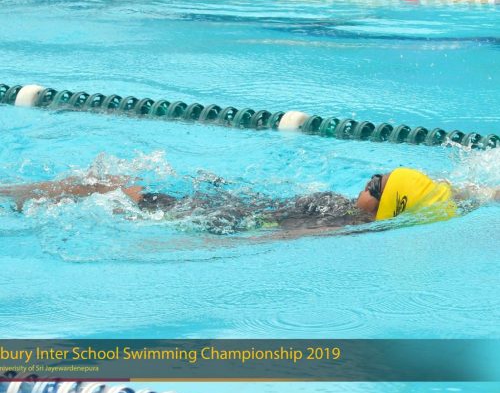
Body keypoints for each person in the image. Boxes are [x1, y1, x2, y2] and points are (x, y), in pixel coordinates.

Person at [0, 167, 498, 237]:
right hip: (238, 205)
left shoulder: (333, 227)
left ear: (387, 206)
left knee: (112, 188)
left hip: (223, 220)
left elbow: (265, 239)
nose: (366, 183)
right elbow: (465, 193)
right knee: (111, 185)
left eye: (376, 184)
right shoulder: (354, 215)